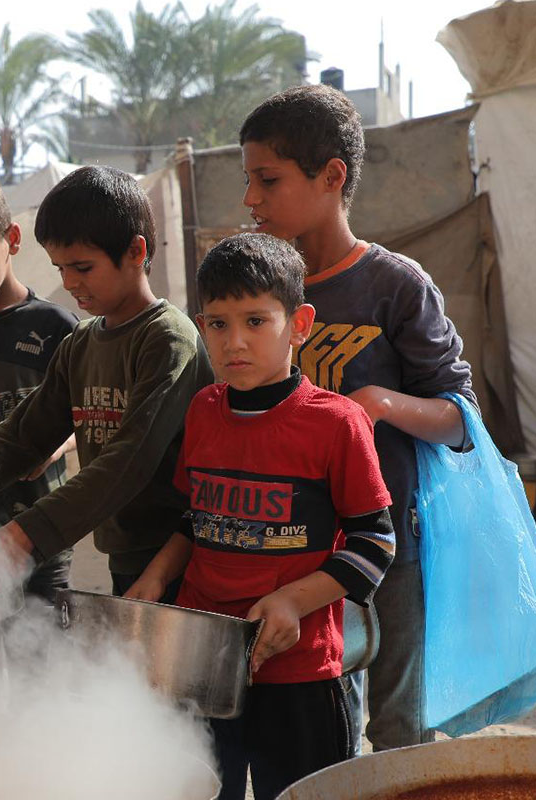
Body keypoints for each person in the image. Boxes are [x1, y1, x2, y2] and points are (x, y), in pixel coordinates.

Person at [239, 84, 475, 751]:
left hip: (390, 548)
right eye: (247, 181)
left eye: (267, 180)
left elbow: (462, 421)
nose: (250, 199)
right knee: (323, 732)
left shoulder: (395, 285)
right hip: (293, 555)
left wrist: (376, 405)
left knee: (399, 731)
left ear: (331, 176)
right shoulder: (259, 295)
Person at [126, 233, 396, 799]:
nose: (234, 343)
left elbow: (375, 545)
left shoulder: (337, 423)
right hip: (201, 663)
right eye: (218, 324)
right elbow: (193, 518)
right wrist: (155, 575)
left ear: (299, 323)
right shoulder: (203, 410)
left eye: (255, 321)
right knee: (200, 789)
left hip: (298, 671)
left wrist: (292, 601)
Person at [0, 165, 213, 600]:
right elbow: (19, 437)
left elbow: (127, 463)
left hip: (183, 557)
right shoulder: (83, 343)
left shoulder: (167, 339)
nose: (69, 283)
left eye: (83, 267)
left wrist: (24, 534)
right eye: (60, 268)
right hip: (126, 553)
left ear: (134, 251)